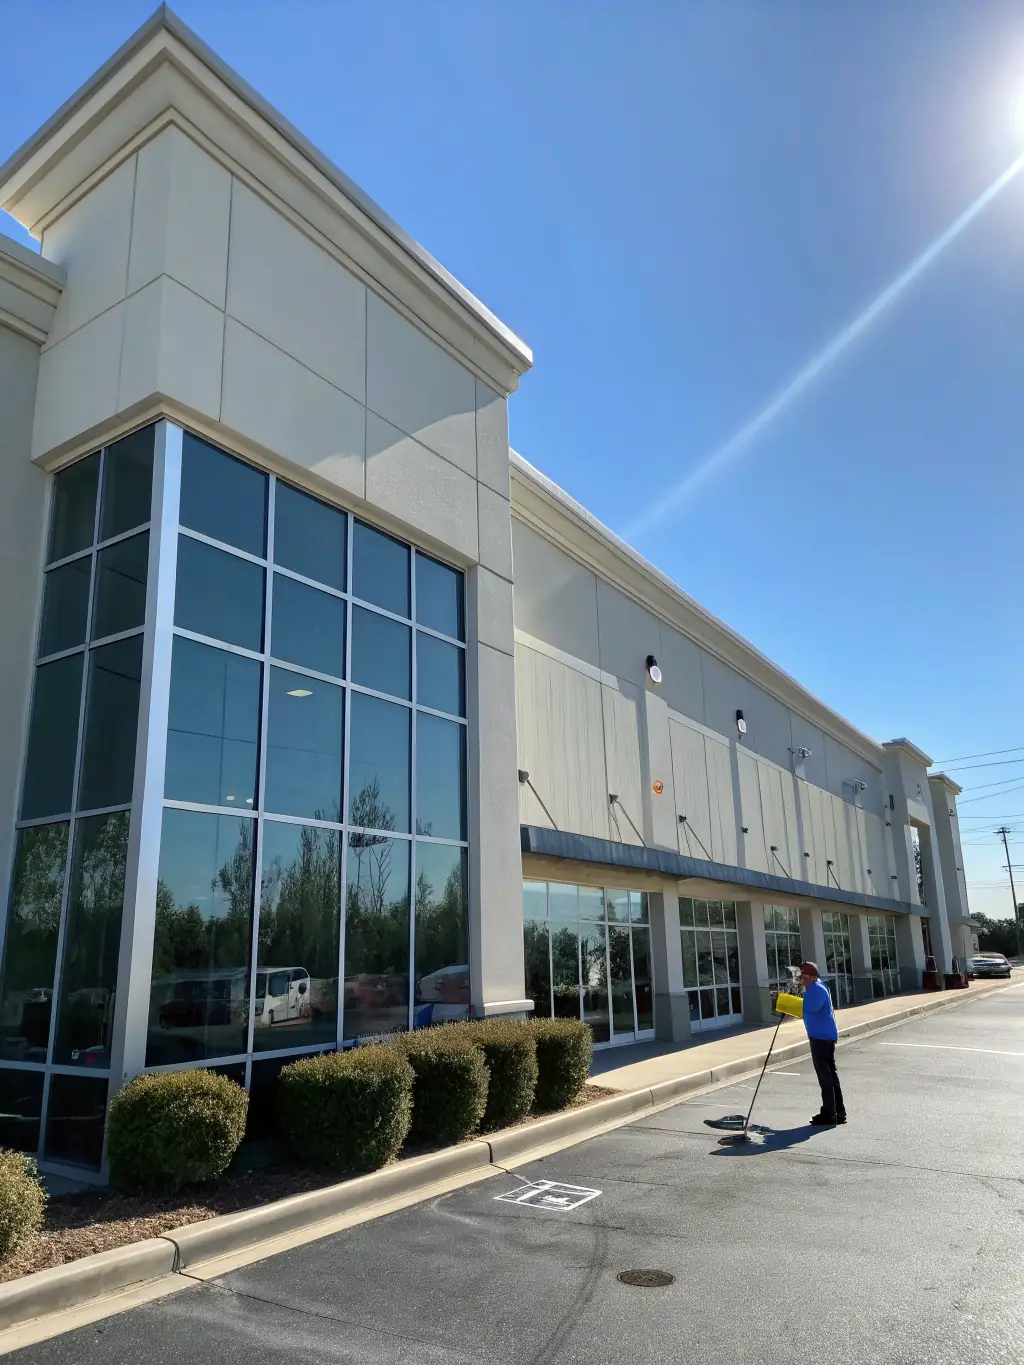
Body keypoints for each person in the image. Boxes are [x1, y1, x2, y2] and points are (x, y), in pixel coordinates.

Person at [799, 961, 846, 1126]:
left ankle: (829, 1113)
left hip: (821, 1038)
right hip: (823, 1035)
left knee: (826, 1077)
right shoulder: (818, 987)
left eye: (805, 977)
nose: (802, 980)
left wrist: (788, 1003)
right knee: (831, 1076)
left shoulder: (816, 990)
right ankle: (838, 1111)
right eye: (801, 976)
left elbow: (808, 1008)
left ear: (813, 976)